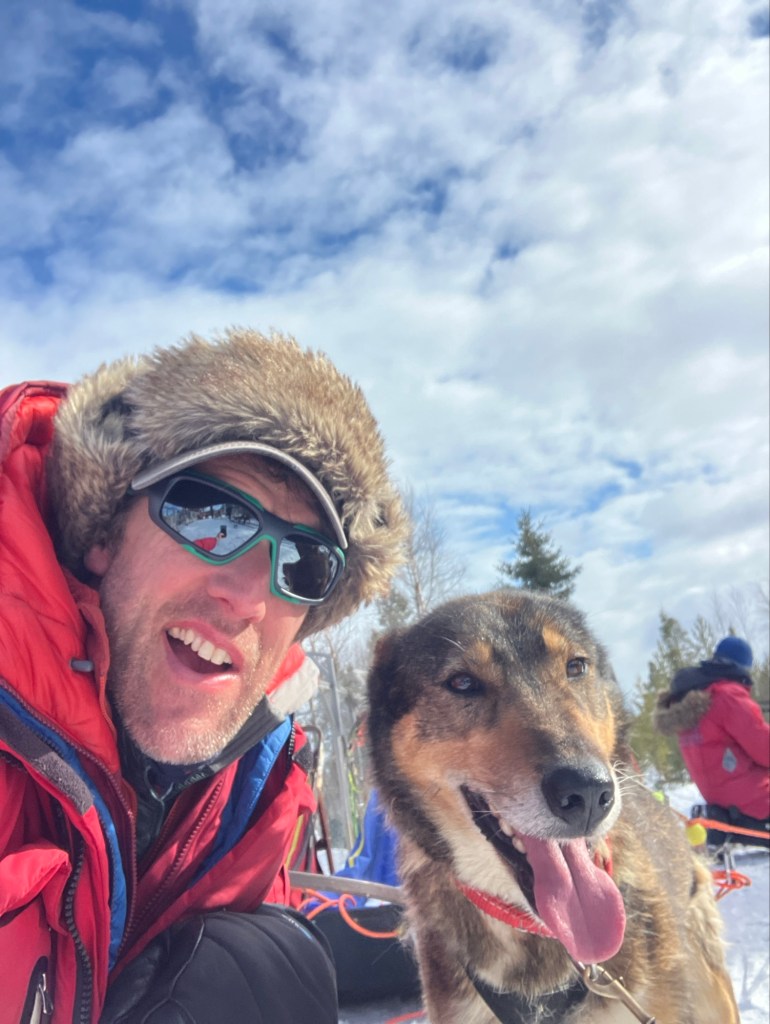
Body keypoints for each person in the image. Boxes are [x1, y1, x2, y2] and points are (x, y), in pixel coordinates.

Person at [0, 328, 409, 1024]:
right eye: (212, 517)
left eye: (303, 563)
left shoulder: (260, 785)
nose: (249, 597)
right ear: (103, 533)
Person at [654, 636, 770, 847]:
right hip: (756, 804)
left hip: (721, 803)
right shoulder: (729, 696)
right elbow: (765, 751)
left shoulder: (695, 700)